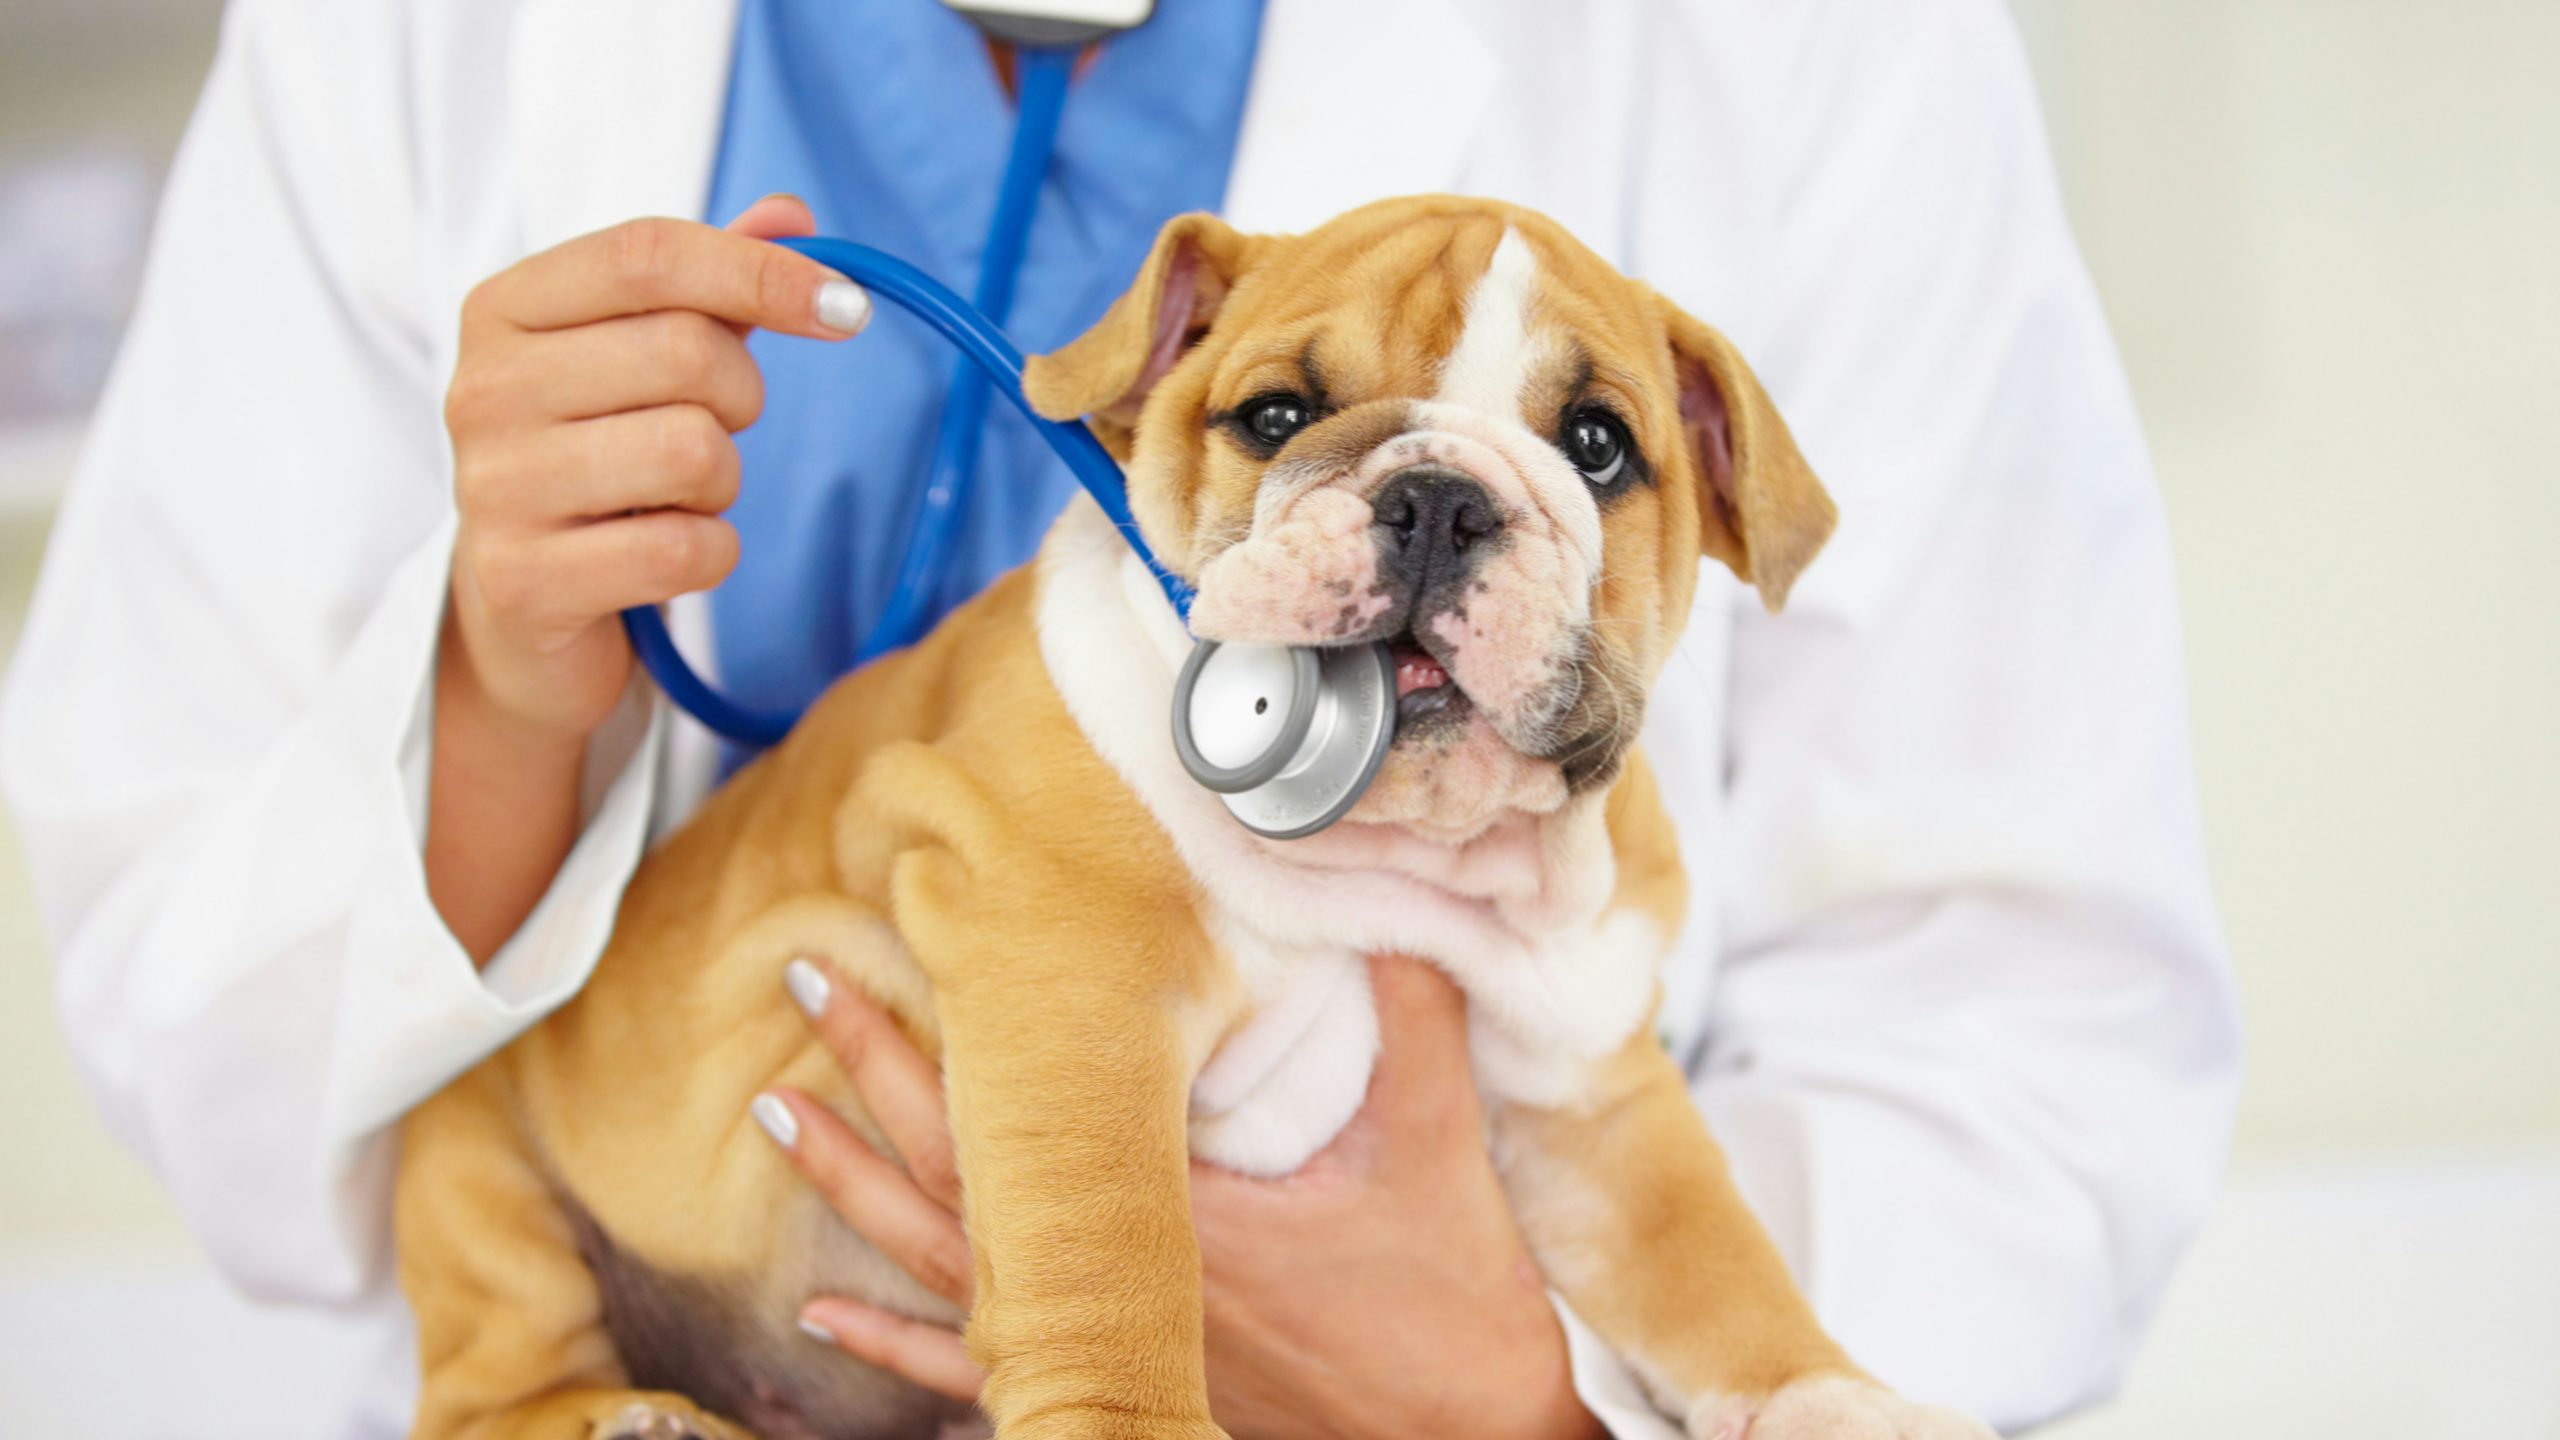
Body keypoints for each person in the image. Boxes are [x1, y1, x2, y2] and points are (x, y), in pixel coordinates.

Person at [0, 1, 2241, 1437]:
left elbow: (2024, 1044)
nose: (1431, 523)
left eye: (1583, 452)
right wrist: (496, 683)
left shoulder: (1807, 58)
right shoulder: (408, 44)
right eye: (1284, 415)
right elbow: (185, 949)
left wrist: (1502, 1382)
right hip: (676, 1288)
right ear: (1170, 364)